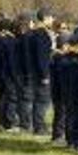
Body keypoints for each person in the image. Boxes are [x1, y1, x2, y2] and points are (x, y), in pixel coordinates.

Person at [23, 9, 55, 137]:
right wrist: (45, 75)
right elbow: (42, 57)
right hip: (40, 72)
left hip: (32, 71)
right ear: (46, 18)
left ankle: (37, 125)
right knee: (42, 100)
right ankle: (39, 126)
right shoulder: (42, 34)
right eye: (51, 18)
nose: (52, 20)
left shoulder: (32, 32)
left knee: (38, 99)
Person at [0, 19, 20, 131]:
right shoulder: (10, 41)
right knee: (10, 98)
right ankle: (9, 122)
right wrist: (15, 75)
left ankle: (0, 120)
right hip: (7, 74)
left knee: (1, 98)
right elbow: (11, 61)